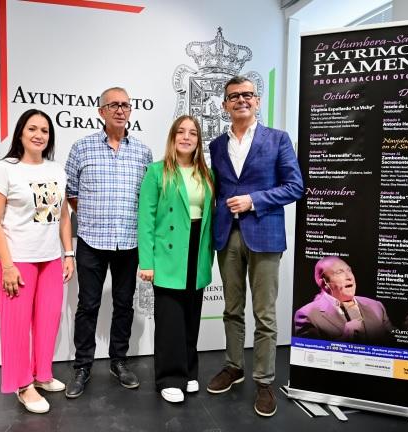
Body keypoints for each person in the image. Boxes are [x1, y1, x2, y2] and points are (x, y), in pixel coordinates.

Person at [206, 76, 303, 417]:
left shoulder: (278, 139)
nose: (241, 100)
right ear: (225, 105)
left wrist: (254, 200)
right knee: (232, 309)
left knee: (265, 314)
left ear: (257, 101)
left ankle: (264, 381)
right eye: (234, 96)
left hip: (265, 234)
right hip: (227, 235)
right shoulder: (216, 145)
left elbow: (295, 186)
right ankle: (234, 366)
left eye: (247, 94)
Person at [64, 86, 153, 398]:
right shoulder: (81, 148)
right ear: (101, 111)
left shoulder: (143, 152)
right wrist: (92, 217)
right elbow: (71, 193)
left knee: (124, 305)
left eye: (125, 105)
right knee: (88, 305)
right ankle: (82, 366)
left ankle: (119, 361)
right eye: (113, 105)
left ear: (130, 111)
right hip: (92, 240)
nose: (120, 110)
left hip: (129, 242)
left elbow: (148, 199)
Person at [0, 109, 75, 414]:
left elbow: (63, 216)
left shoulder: (56, 170)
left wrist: (68, 253)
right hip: (17, 260)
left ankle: (41, 374)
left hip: (50, 258)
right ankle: (23, 385)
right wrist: (7, 266)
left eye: (45, 130)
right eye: (32, 128)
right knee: (16, 325)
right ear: (21, 133)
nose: (39, 135)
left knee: (48, 320)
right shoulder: (4, 169)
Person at [138, 115, 214, 404]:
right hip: (168, 251)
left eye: (192, 133)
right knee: (170, 317)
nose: (186, 137)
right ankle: (169, 378)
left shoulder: (207, 174)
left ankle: (189, 371)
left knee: (191, 316)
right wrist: (147, 262)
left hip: (197, 248)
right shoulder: (156, 172)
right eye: (181, 132)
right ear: (172, 137)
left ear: (198, 140)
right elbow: (146, 220)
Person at [294, 256, 394, 342]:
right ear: (324, 283)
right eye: (339, 272)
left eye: (349, 270)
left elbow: (393, 341)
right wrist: (345, 338)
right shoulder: (308, 315)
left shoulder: (376, 306)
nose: (349, 277)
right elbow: (311, 352)